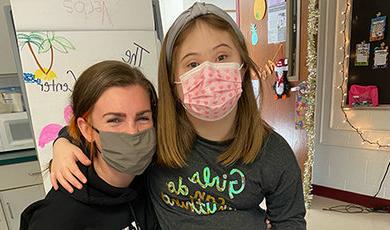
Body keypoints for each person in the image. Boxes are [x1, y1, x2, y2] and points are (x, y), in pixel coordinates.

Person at [50, 3, 306, 229]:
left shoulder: (273, 151)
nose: (209, 72)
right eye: (192, 64)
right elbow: (104, 130)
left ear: (241, 66)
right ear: (173, 81)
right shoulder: (155, 133)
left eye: (221, 57)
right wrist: (62, 142)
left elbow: (290, 220)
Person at [20, 60, 160, 230]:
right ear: (87, 129)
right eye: (114, 120)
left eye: (143, 118)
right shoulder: (58, 216)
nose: (132, 132)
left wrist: (62, 140)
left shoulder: (155, 179)